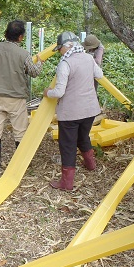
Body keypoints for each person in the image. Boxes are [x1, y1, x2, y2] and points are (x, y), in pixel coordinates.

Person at [0, 20, 43, 170]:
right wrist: (40, 62)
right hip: (15, 96)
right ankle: (20, 165)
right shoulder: (23, 53)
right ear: (21, 37)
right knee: (19, 131)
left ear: (5, 33)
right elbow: (34, 72)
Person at [44, 31, 103, 190]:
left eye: (60, 49)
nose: (60, 52)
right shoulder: (89, 58)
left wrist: (47, 92)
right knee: (83, 136)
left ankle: (66, 183)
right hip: (90, 109)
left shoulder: (65, 63)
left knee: (68, 145)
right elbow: (100, 74)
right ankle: (90, 164)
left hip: (70, 112)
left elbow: (59, 92)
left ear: (66, 46)